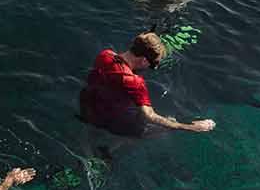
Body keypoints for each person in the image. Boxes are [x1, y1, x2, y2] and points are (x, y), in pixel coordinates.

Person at [79, 32, 215, 138]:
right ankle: (111, 149)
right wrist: (190, 127)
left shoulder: (105, 55)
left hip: (87, 107)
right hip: (108, 119)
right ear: (144, 60)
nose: (153, 67)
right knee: (164, 127)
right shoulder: (135, 83)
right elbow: (151, 116)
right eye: (153, 64)